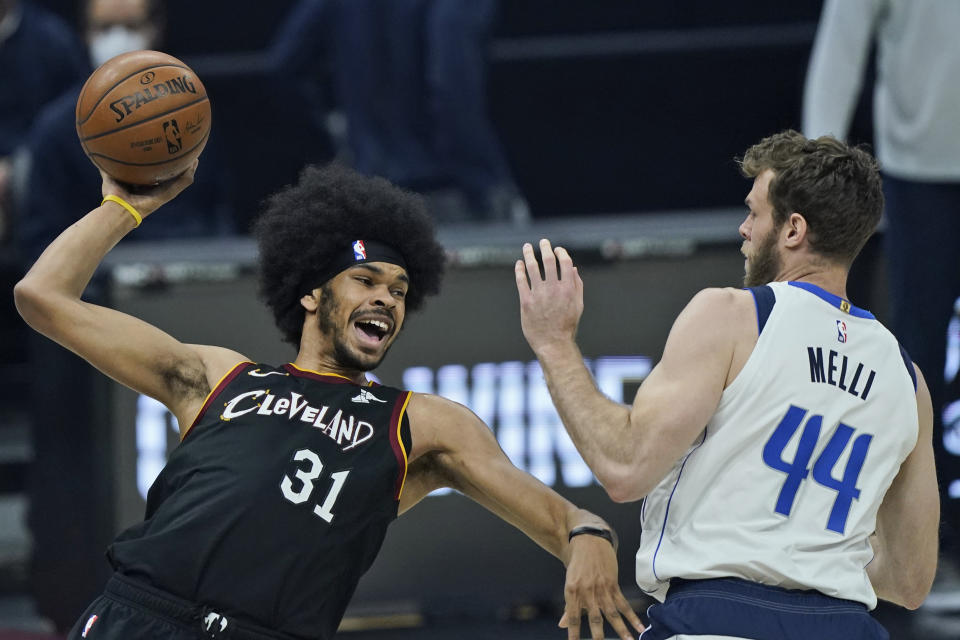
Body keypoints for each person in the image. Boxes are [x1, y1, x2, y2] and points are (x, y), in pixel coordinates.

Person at [13, 160, 644, 640]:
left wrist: (589, 537)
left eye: (399, 291)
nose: (386, 300)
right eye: (366, 280)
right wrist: (125, 205)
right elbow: (43, 296)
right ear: (313, 295)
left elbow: (562, 517)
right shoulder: (221, 378)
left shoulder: (417, 424)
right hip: (138, 614)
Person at [515, 130, 939, 639]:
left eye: (754, 213)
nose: (743, 229)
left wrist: (555, 344)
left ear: (793, 230)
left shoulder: (735, 316)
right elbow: (911, 581)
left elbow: (624, 467)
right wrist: (810, 563)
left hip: (718, 619)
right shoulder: (907, 378)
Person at [802, 0, 960, 577]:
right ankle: (926, 544)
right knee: (917, 359)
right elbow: (840, 48)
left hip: (918, 165)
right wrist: (815, 172)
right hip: (918, 173)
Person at [269, 0, 530, 224]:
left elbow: (283, 66)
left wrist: (331, 140)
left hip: (369, 191)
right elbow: (451, 83)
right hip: (447, 191)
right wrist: (486, 181)